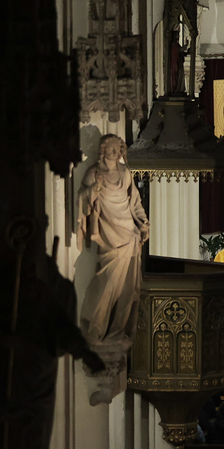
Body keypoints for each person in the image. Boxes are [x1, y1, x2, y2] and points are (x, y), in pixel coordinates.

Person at [77, 134, 150, 349]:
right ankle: (95, 329)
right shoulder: (94, 173)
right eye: (110, 148)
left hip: (129, 232)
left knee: (128, 287)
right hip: (109, 234)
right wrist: (95, 188)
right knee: (108, 282)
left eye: (118, 148)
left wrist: (143, 221)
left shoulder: (125, 173)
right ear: (103, 150)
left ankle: (118, 329)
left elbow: (134, 202)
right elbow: (82, 198)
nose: (114, 151)